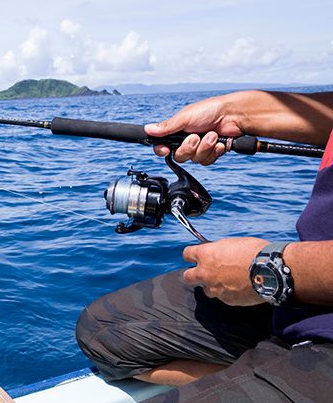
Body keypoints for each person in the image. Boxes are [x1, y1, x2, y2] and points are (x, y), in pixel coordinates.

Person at [75, 89, 333, 402]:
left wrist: (271, 269)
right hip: (308, 297)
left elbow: (277, 270)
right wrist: (231, 113)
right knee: (103, 331)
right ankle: (265, 370)